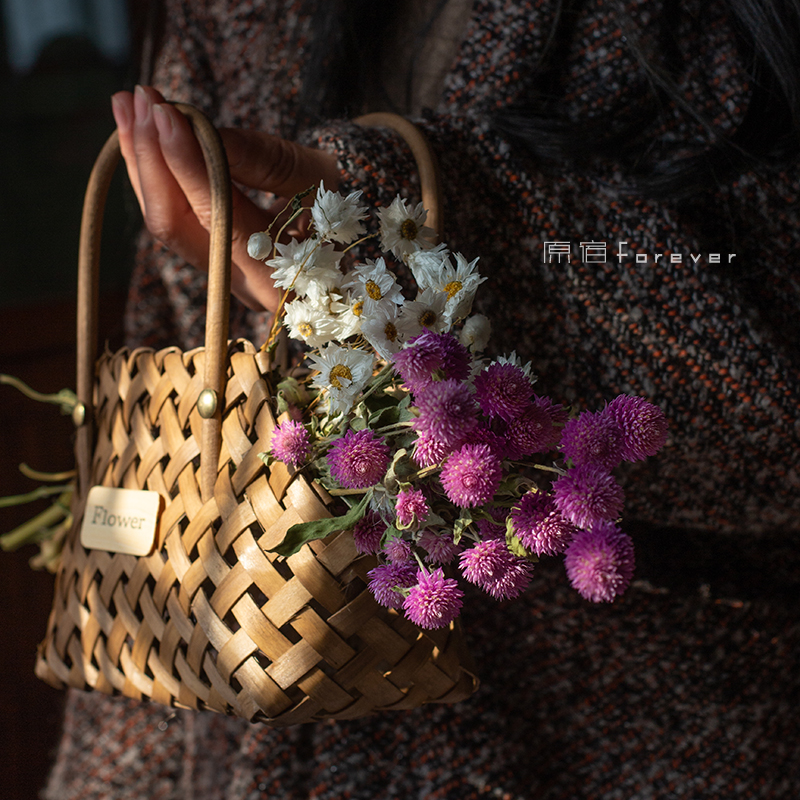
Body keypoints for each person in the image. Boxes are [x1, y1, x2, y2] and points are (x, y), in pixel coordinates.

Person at [43, 1, 800, 798]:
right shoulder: (228, 17)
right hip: (244, 707)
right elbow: (167, 507)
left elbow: (759, 319)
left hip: (631, 734)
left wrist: (470, 241)